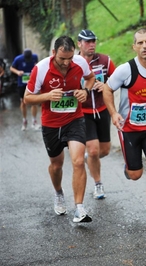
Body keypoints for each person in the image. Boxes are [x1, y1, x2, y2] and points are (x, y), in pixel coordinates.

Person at [102, 28, 146, 221]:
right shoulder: (125, 70)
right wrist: (114, 113)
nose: (145, 46)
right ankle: (129, 167)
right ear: (134, 47)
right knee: (134, 175)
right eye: (140, 43)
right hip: (129, 130)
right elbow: (107, 90)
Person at [24, 36, 96, 223]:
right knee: (57, 165)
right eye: (62, 58)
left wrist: (85, 91)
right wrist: (47, 95)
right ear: (53, 53)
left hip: (75, 119)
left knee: (79, 161)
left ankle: (79, 208)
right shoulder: (40, 69)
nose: (66, 63)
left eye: (69, 58)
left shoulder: (79, 63)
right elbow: (27, 98)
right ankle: (58, 193)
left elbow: (90, 78)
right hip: (51, 123)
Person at [77, 29, 116, 199]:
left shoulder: (105, 61)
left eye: (93, 41)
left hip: (102, 110)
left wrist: (106, 86)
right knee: (93, 151)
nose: (91, 44)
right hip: (83, 113)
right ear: (79, 43)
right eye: (87, 42)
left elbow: (117, 81)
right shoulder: (73, 63)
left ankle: (89, 159)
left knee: (104, 151)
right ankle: (98, 185)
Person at [10, 49, 40, 130]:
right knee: (23, 102)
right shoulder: (18, 59)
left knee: (34, 102)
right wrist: (18, 72)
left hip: (32, 83)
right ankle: (24, 120)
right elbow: (11, 68)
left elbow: (37, 65)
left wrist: (34, 71)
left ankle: (34, 121)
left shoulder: (35, 57)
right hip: (22, 84)